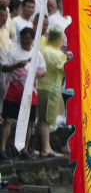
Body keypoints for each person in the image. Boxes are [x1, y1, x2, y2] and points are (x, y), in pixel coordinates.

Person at [1, 27, 46, 157]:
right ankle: (2, 148)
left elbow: (43, 70)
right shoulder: (13, 52)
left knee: (29, 122)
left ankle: (25, 150)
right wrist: (17, 65)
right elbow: (3, 68)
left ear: (32, 39)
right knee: (8, 120)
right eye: (23, 38)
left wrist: (38, 73)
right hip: (14, 90)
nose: (25, 41)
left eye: (28, 38)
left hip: (30, 92)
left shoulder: (37, 54)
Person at [36, 28, 67, 157]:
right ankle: (46, 148)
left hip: (39, 87)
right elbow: (66, 70)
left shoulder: (41, 49)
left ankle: (46, 147)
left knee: (41, 118)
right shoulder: (57, 54)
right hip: (51, 89)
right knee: (46, 119)